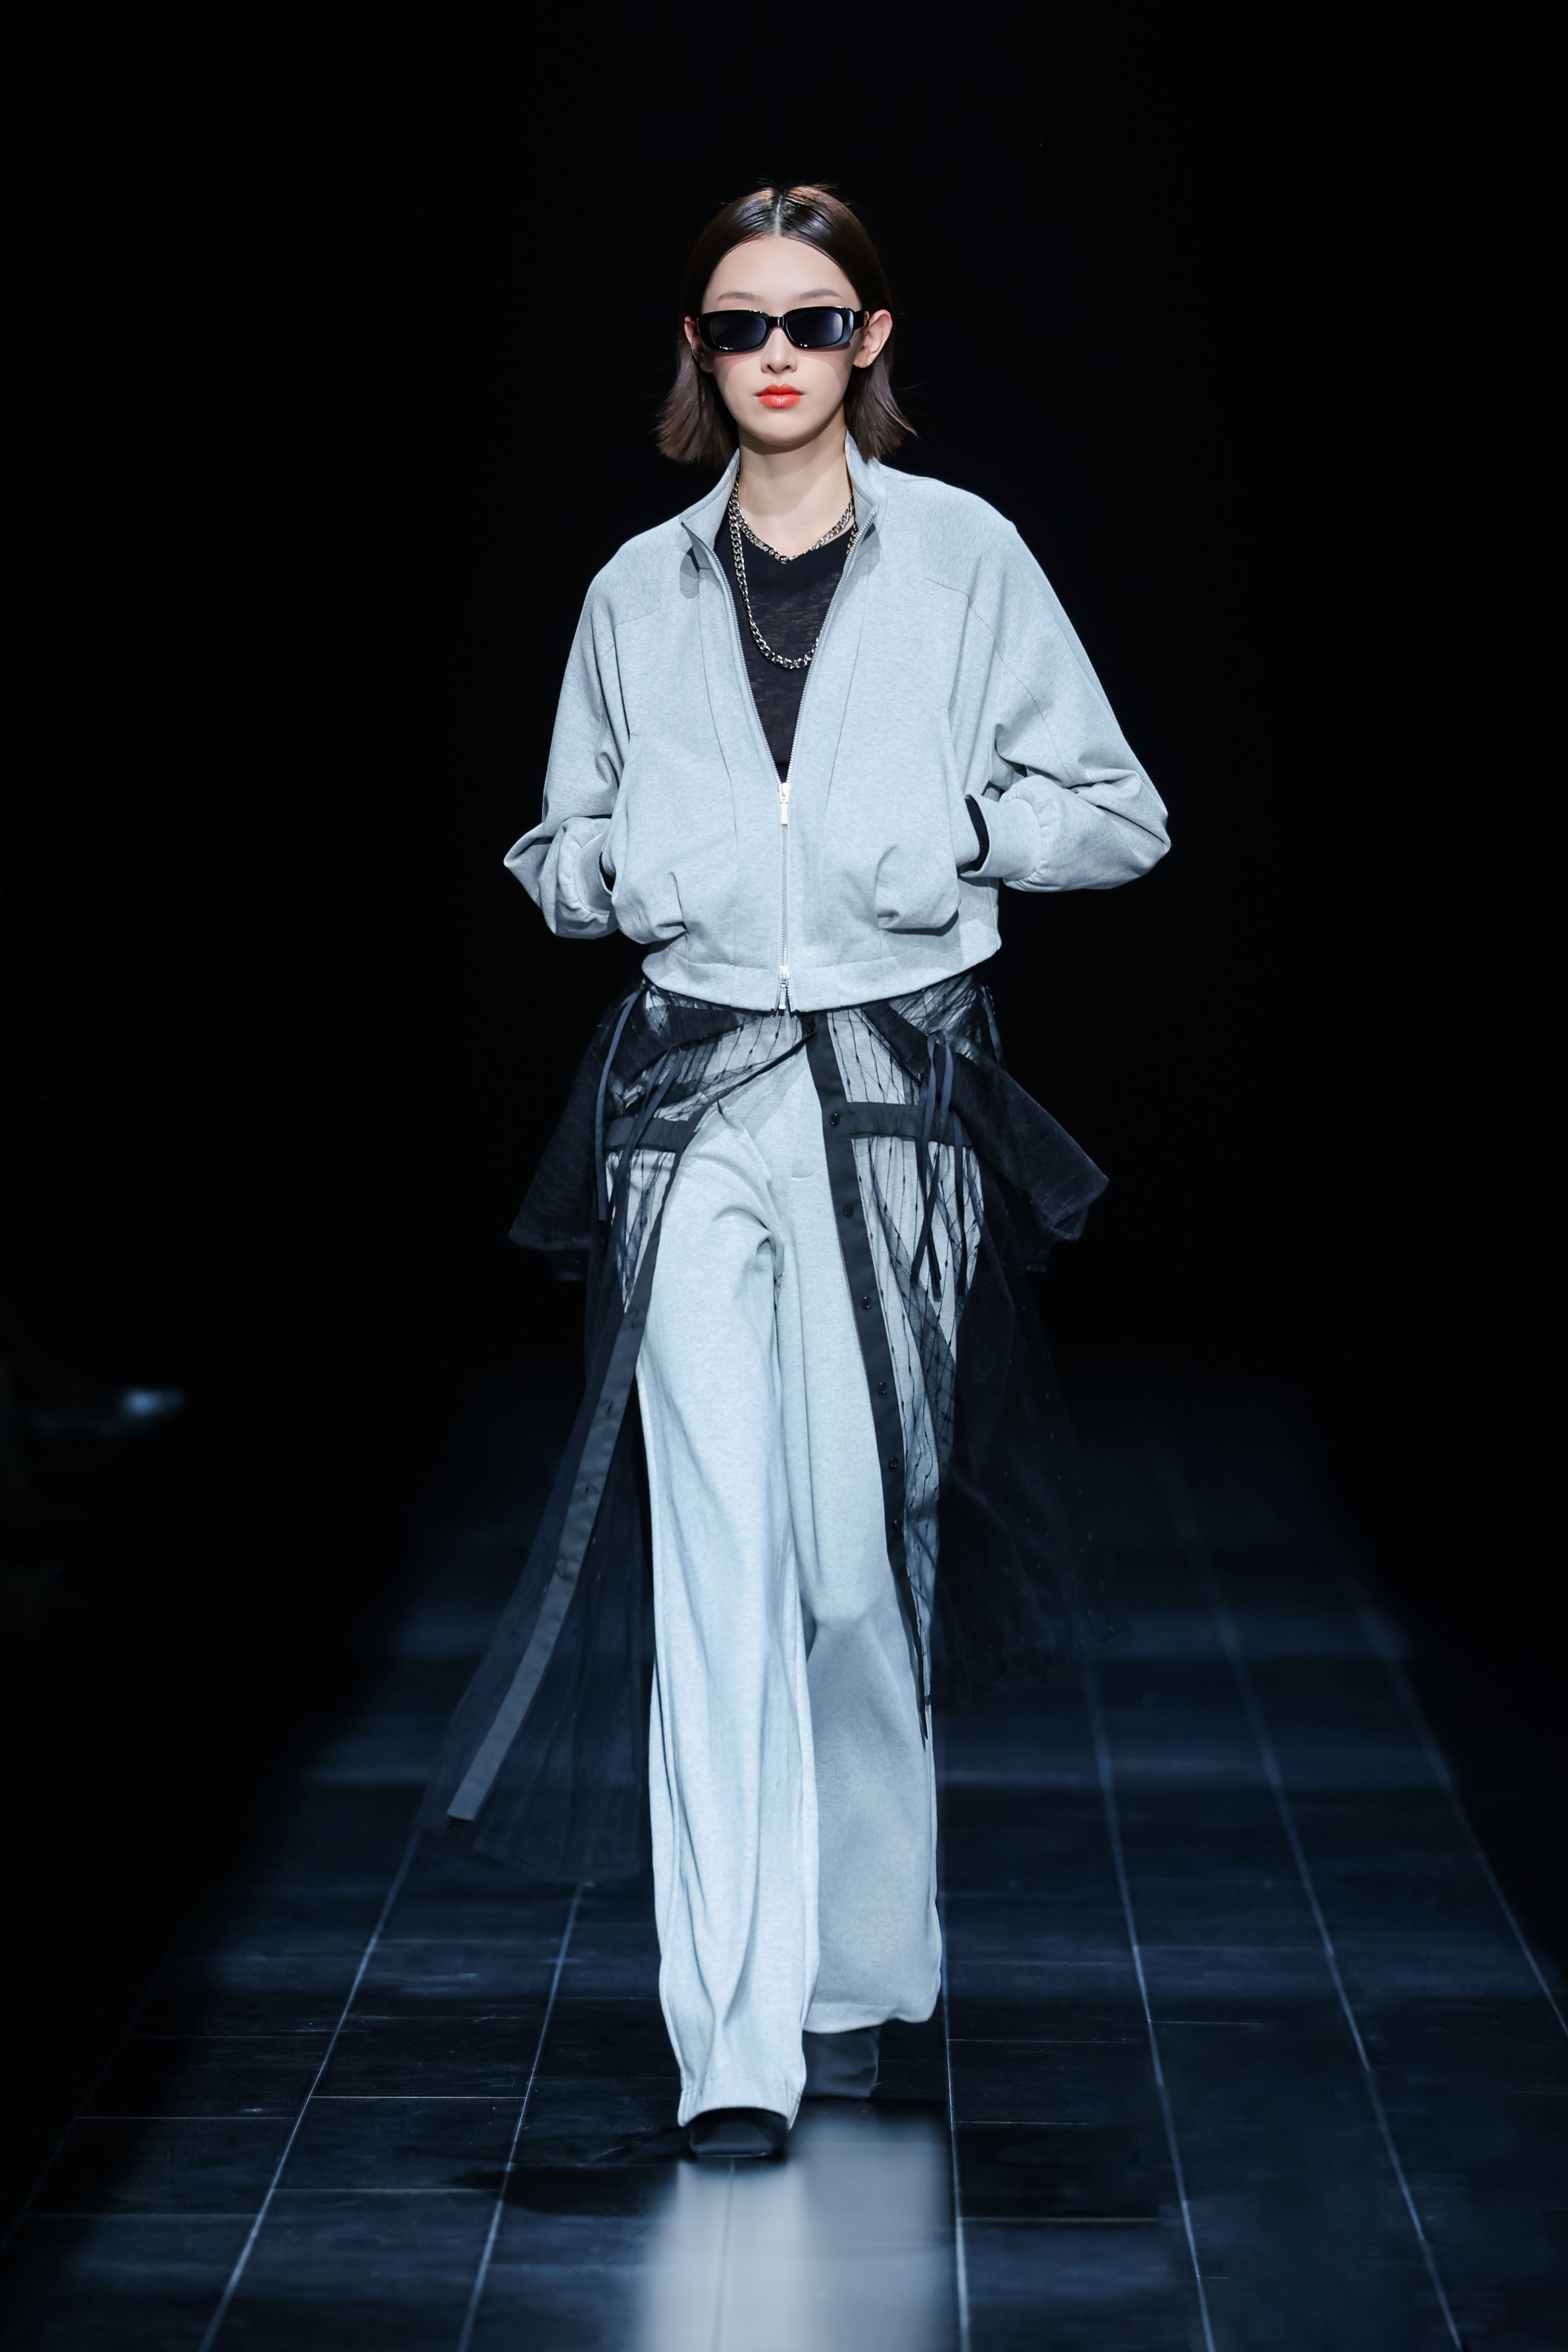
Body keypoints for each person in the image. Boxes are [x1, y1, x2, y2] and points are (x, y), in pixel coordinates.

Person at [421, 185, 1169, 2161]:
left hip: (895, 1090)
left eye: (814, 320)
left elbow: (1120, 814)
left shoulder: (965, 558)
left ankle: (855, 1969)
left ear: (871, 340)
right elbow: (558, 846)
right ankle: (731, 2040)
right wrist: (626, 872)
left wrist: (957, 835)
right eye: (741, 321)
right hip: (682, 1101)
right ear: (696, 345)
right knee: (717, 1566)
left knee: (852, 1565)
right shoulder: (637, 588)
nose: (777, 353)